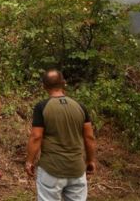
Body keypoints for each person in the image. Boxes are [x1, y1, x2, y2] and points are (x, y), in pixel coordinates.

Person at [25, 69, 97, 201]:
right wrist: (91, 160)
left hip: (51, 170)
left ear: (44, 86)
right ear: (64, 83)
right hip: (77, 169)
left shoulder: (42, 107)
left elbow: (36, 137)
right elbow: (89, 137)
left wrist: (29, 161)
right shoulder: (80, 107)